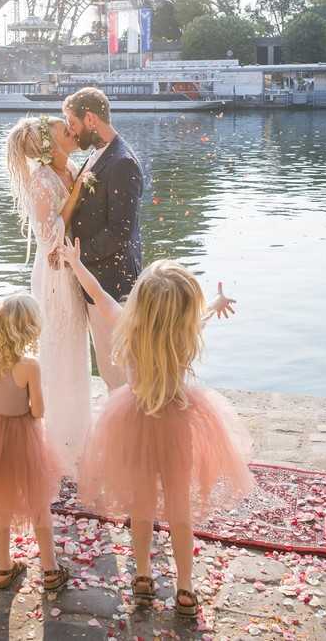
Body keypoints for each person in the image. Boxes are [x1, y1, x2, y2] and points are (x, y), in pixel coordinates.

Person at [60, 238, 253, 617]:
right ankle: (184, 588)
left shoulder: (128, 329)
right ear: (183, 311)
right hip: (178, 422)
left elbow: (98, 294)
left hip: (134, 421)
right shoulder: (183, 333)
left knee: (141, 507)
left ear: (140, 304)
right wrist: (216, 303)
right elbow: (199, 320)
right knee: (180, 512)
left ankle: (143, 577)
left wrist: (75, 262)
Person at [0, 293, 69, 592]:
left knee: (1, 506)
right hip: (23, 440)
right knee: (39, 504)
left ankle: (3, 569)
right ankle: (50, 571)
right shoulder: (29, 366)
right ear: (30, 329)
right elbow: (37, 411)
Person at [6, 115, 90, 476]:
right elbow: (51, 238)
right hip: (55, 274)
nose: (71, 131)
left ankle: (78, 435)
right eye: (63, 131)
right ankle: (58, 442)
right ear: (48, 146)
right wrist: (75, 194)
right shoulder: (41, 182)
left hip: (74, 269)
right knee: (59, 350)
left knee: (77, 351)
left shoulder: (70, 164)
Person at [62, 87, 144, 390]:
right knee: (112, 373)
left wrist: (77, 261)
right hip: (97, 281)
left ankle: (128, 431)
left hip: (113, 283)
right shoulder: (98, 154)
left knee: (121, 374)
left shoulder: (123, 162)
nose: (71, 130)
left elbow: (120, 232)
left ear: (91, 119)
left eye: (72, 122)